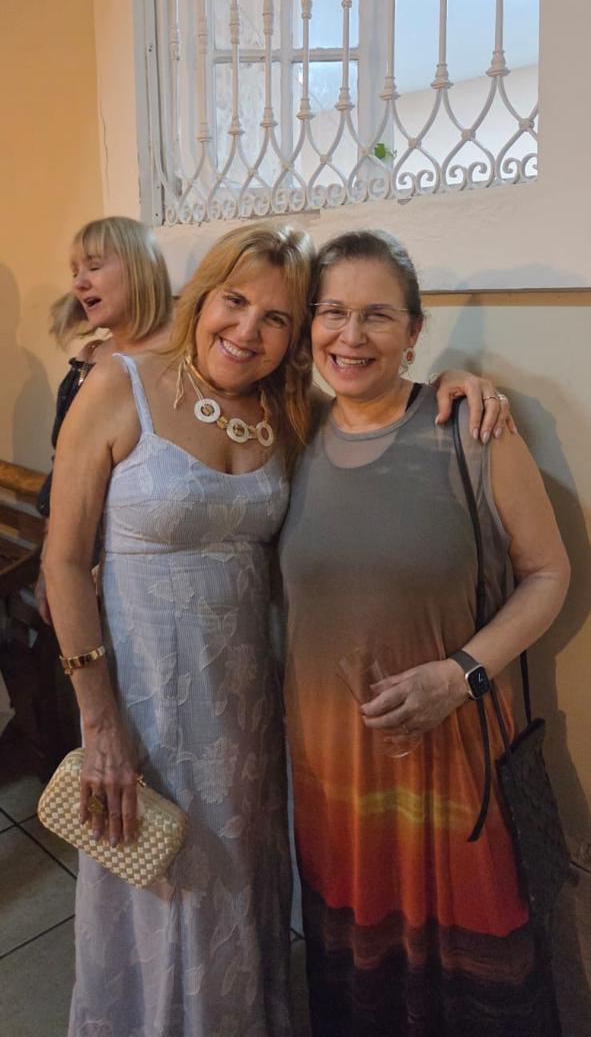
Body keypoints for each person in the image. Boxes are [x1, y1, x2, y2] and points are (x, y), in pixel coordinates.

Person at [43, 221, 513, 1037]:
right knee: (153, 890)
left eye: (276, 319)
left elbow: (375, 403)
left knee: (241, 895)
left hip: (250, 719)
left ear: (295, 339)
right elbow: (61, 561)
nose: (246, 330)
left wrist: (456, 380)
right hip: (144, 712)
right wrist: (100, 725)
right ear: (201, 298)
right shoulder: (120, 385)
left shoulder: (287, 414)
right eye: (233, 302)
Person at [279, 229, 570, 1037]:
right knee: (359, 976)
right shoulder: (291, 436)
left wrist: (459, 674)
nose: (350, 335)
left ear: (413, 330)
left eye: (377, 315)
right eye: (331, 312)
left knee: (473, 981)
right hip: (331, 771)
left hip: (453, 767)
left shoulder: (468, 430)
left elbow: (548, 574)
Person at [35, 216, 172, 623]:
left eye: (94, 267)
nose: (79, 283)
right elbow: (63, 473)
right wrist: (50, 564)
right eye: (75, 272)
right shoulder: (88, 360)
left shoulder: (180, 359)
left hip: (150, 581)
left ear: (140, 267)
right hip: (80, 566)